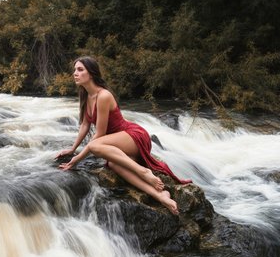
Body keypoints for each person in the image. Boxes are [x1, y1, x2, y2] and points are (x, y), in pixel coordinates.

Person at [55, 56, 191, 215]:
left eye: (80, 69)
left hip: (133, 135)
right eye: (74, 70)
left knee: (94, 145)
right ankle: (161, 196)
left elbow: (99, 135)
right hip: (117, 141)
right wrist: (72, 149)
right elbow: (85, 124)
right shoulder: (86, 95)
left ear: (91, 73)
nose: (75, 73)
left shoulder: (103, 96)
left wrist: (76, 160)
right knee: (113, 165)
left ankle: (143, 172)